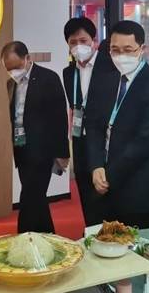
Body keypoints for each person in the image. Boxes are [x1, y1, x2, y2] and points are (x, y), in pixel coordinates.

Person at [87, 20, 149, 229]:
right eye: (115, 50)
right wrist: (96, 165)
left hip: (138, 186)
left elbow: (146, 141)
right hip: (103, 181)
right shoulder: (106, 80)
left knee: (138, 244)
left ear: (142, 49)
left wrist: (109, 175)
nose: (121, 56)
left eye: (128, 50)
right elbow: (95, 126)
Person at [2, 41, 69, 233]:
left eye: (16, 66)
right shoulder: (10, 84)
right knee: (36, 198)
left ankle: (24, 238)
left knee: (29, 198)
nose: (13, 72)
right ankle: (48, 236)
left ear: (27, 58)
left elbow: (59, 117)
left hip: (42, 150)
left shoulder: (48, 78)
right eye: (8, 69)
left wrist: (62, 152)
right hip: (21, 149)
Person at [61, 17, 117, 227]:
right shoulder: (69, 73)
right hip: (80, 139)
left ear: (94, 40)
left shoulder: (111, 66)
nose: (78, 46)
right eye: (73, 42)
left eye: (83, 41)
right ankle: (92, 231)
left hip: (106, 139)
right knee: (85, 189)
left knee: (106, 190)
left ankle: (112, 233)